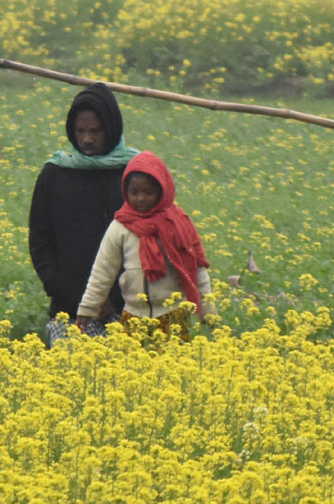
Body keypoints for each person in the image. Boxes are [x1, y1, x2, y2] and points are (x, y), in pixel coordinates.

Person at [28, 83, 139, 340]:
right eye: (80, 131)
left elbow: (145, 242)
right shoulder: (55, 174)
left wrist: (111, 299)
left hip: (126, 308)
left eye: (95, 131)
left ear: (111, 129)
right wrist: (73, 297)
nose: (87, 139)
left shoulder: (134, 175)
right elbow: (40, 244)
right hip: (69, 309)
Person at [75, 151, 211, 330]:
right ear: (125, 191)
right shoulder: (120, 226)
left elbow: (197, 269)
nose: (140, 198)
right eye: (134, 192)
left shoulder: (178, 223)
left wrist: (209, 314)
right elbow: (102, 271)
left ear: (162, 190)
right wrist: (87, 309)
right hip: (133, 315)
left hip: (174, 316)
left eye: (148, 192)